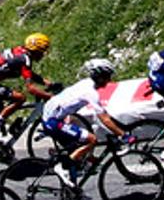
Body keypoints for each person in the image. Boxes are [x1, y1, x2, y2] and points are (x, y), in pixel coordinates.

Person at [37, 59, 121, 191]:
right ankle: (62, 166)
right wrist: (123, 134)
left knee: (77, 149)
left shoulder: (85, 83)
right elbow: (104, 118)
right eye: (107, 76)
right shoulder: (91, 92)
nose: (109, 80)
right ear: (100, 76)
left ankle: (72, 188)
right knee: (91, 139)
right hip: (53, 121)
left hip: (52, 115)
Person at [0, 32, 55, 120]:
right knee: (20, 98)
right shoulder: (24, 59)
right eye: (43, 51)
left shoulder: (20, 52)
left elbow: (27, 73)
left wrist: (47, 83)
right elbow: (31, 89)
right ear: (36, 50)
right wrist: (50, 97)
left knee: (0, 109)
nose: (43, 54)